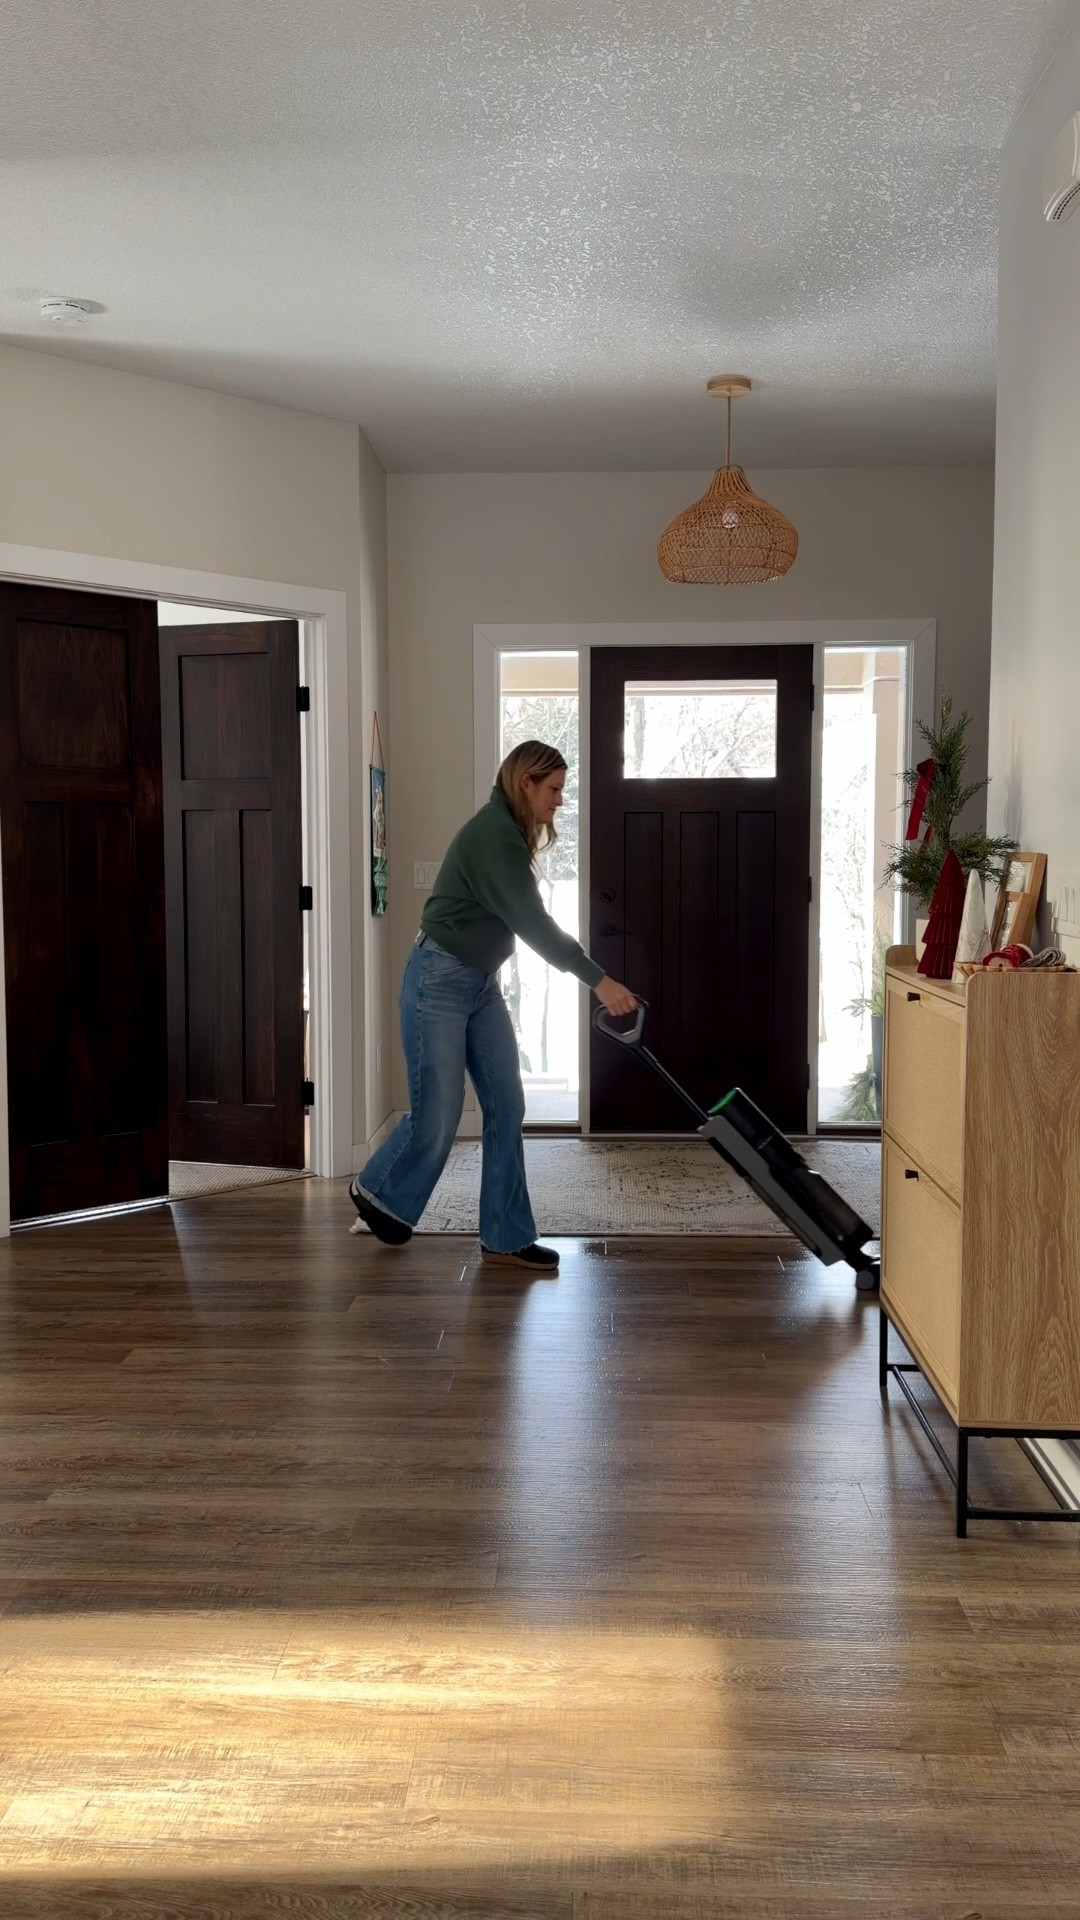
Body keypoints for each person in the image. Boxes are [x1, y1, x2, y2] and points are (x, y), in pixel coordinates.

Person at [350, 740, 637, 1270]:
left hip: (479, 982)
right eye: (553, 790)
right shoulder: (493, 837)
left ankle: (505, 1235)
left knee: (508, 1104)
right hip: (438, 977)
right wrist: (599, 981)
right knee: (438, 1111)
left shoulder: (507, 832)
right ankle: (377, 1191)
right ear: (525, 782)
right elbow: (533, 924)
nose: (558, 801)